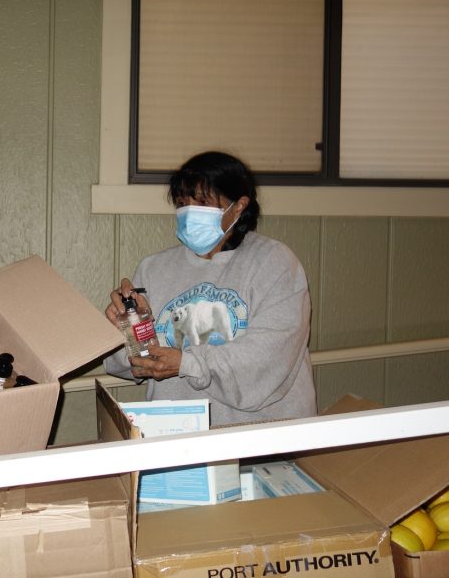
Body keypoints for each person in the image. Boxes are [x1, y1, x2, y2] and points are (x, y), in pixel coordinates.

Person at [104, 151, 316, 426]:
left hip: (262, 437)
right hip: (178, 437)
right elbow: (136, 361)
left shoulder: (274, 263)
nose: (190, 212)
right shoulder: (154, 268)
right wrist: (131, 328)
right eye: (182, 203)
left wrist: (187, 363)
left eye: (203, 202)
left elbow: (267, 355)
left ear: (238, 206)